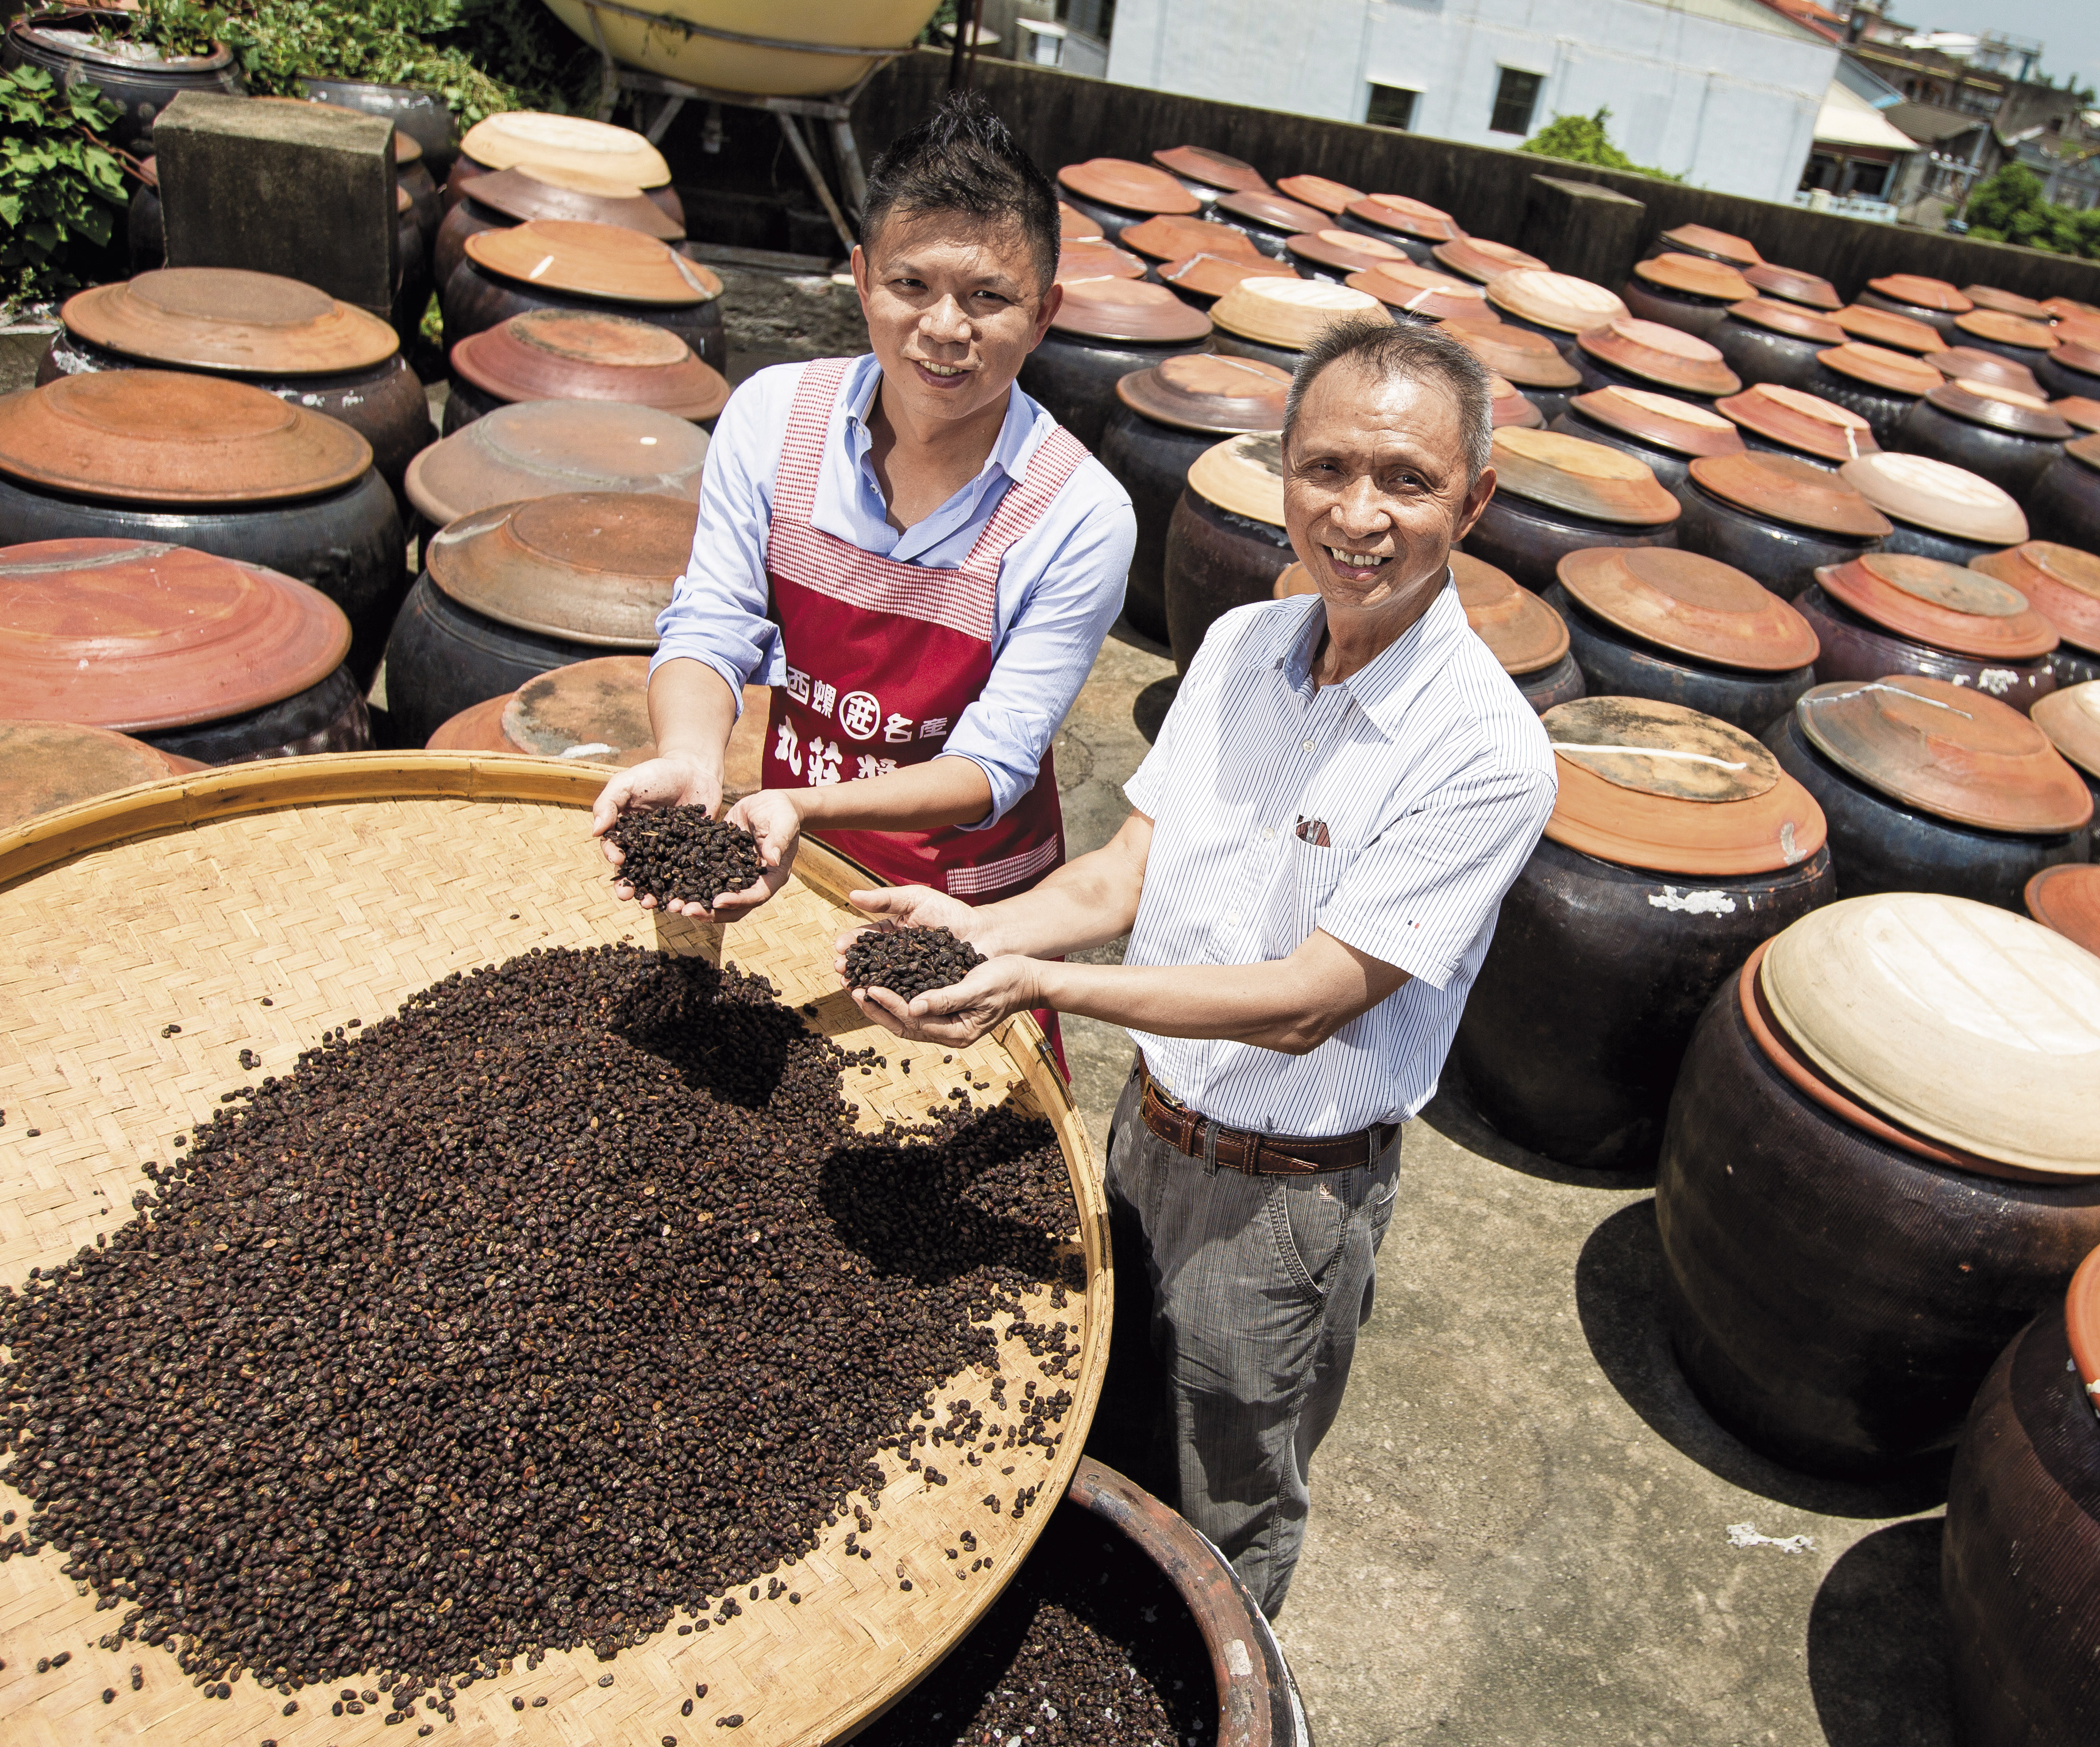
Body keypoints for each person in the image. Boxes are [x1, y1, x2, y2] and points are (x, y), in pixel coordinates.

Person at [837, 322, 1556, 1614]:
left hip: (1283, 1202)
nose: (1358, 515)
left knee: (1225, 1498)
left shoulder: (1486, 752)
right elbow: (1125, 877)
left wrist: (1042, 991)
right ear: (1280, 470)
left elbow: (1308, 1006)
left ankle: (1221, 1714)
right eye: (1326, 469)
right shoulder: (1237, 651)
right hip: (1143, 1136)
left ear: (1475, 500)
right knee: (1092, 1427)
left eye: (1406, 481)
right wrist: (974, 926)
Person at [592, 94, 1133, 1039]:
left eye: (990, 298)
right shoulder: (770, 419)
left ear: (1044, 314)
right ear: (859, 278)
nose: (945, 327)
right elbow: (712, 624)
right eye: (911, 284)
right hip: (785, 858)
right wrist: (688, 758)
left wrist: (799, 804)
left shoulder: (1081, 514)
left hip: (967, 900)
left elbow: (992, 763)